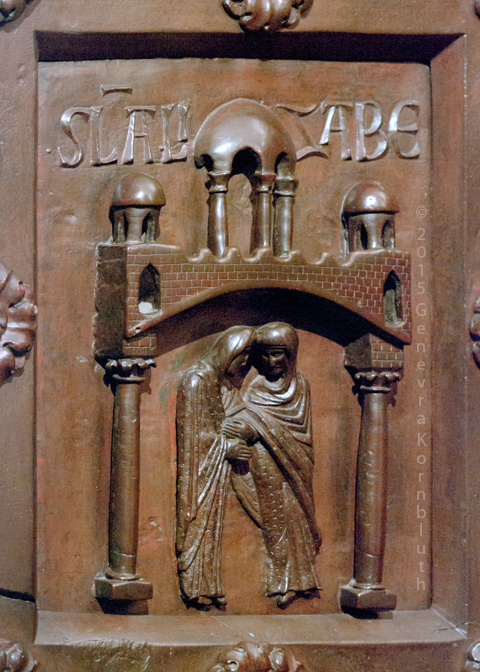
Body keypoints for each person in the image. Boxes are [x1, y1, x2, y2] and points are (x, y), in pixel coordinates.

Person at [223, 323, 321, 607]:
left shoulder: (301, 386)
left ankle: (305, 581)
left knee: (298, 517)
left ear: (290, 354)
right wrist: (244, 429)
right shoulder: (255, 387)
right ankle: (281, 582)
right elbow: (247, 419)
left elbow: (300, 431)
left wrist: (255, 427)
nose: (270, 361)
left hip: (296, 463)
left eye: (277, 354)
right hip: (264, 460)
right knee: (274, 522)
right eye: (263, 355)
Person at [175, 326, 255, 609]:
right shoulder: (196, 381)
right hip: (199, 473)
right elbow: (194, 438)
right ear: (229, 352)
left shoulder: (214, 381)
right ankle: (194, 587)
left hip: (214, 470)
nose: (244, 365)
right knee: (199, 524)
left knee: (212, 528)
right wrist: (227, 447)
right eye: (242, 357)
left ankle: (209, 586)